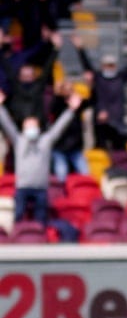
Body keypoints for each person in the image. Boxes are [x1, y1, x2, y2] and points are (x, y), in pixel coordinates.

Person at [0, 86, 81, 225]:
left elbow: (59, 127)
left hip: (41, 188)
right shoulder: (19, 141)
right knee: (18, 217)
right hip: (22, 187)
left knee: (41, 220)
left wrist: (71, 110)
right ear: (24, 129)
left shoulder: (45, 141)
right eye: (28, 126)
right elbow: (7, 124)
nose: (31, 129)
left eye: (34, 126)